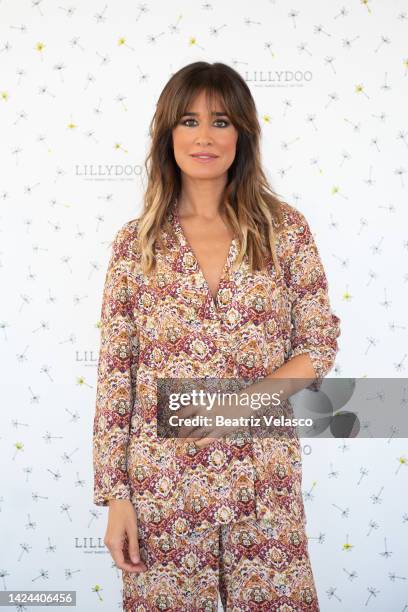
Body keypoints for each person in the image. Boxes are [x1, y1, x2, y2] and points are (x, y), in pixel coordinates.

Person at [92, 61, 341, 611]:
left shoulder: (286, 230)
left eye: (221, 122)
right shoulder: (134, 245)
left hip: (264, 485)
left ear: (243, 134)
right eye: (188, 121)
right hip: (162, 490)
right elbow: (115, 378)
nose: (204, 136)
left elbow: (319, 343)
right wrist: (117, 498)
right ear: (167, 134)